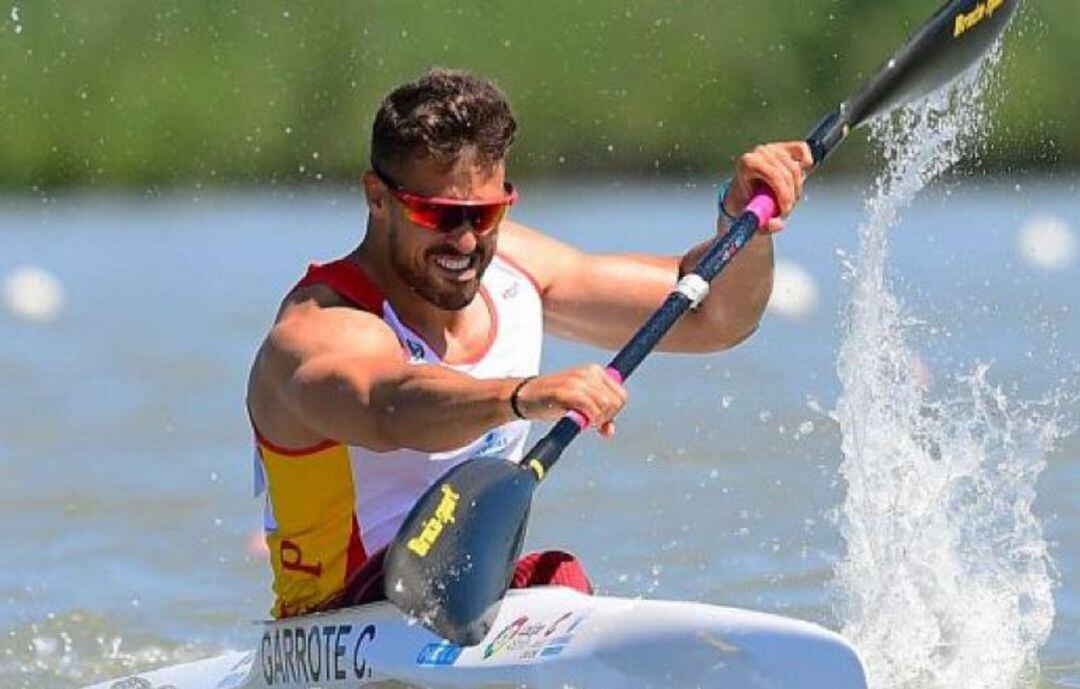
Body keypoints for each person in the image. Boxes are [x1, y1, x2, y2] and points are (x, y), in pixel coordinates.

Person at [246, 67, 812, 619]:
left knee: (557, 581)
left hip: (465, 595)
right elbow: (389, 406)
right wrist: (522, 395)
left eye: (486, 213)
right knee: (543, 581)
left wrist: (744, 227)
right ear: (377, 196)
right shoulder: (321, 325)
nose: (465, 241)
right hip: (335, 623)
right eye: (438, 214)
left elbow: (715, 318)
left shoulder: (519, 269)